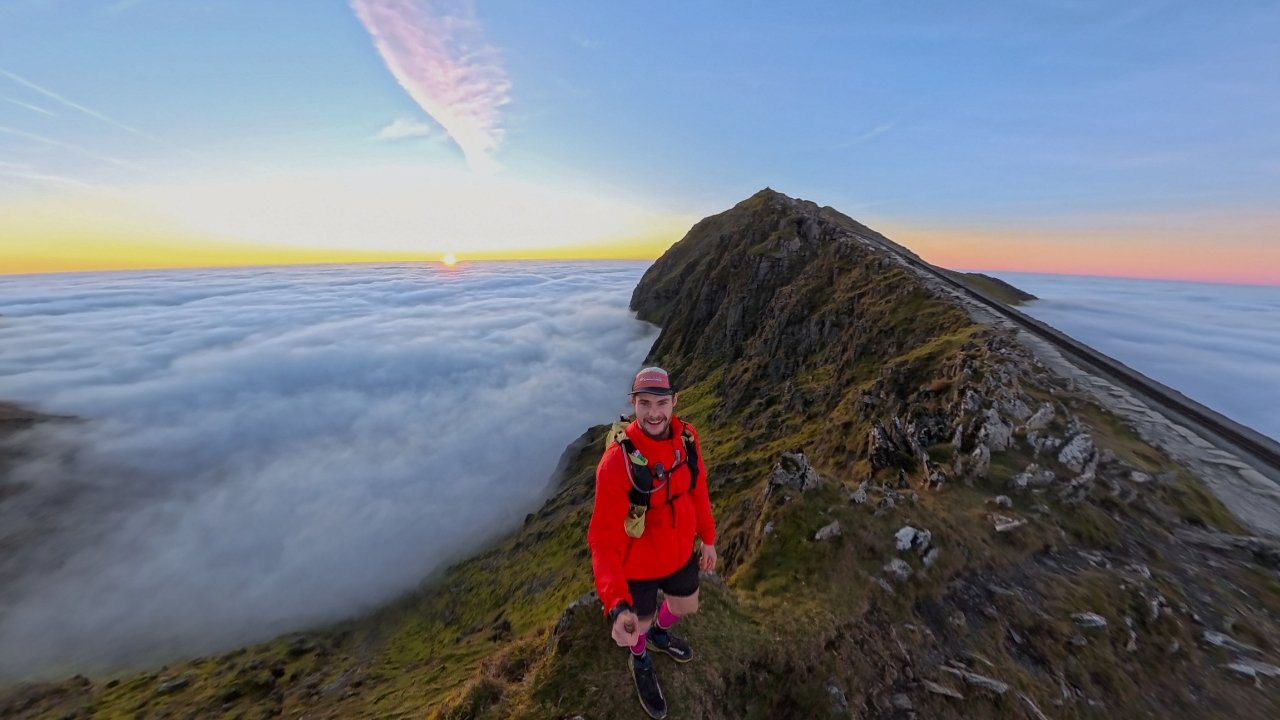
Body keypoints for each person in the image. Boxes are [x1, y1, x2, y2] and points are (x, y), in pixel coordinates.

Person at [587, 366, 718, 719]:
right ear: (633, 404)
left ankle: (660, 633)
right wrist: (616, 603)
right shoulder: (617, 462)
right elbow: (602, 539)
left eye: (661, 402)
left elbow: (698, 489)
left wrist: (708, 539)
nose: (654, 413)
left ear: (675, 401)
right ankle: (641, 658)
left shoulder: (688, 438)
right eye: (644, 403)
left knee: (683, 606)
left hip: (680, 553)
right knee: (636, 628)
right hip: (638, 567)